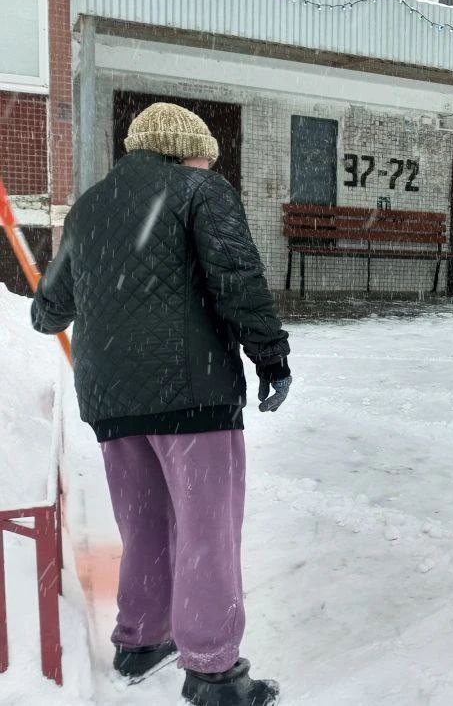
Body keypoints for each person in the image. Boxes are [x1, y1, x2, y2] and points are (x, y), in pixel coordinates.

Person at [32, 103, 291, 705]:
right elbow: (238, 278)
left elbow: (49, 310)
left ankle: (143, 639)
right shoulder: (201, 189)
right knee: (207, 530)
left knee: (144, 523)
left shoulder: (90, 208)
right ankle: (213, 673)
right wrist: (271, 357)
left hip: (111, 403)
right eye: (205, 153)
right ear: (184, 148)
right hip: (193, 393)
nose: (209, 163)